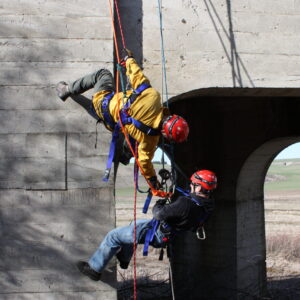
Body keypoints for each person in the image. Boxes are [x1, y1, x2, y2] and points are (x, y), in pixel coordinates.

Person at [56, 49, 189, 186]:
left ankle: (66, 90)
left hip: (103, 102)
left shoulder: (153, 97)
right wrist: (153, 180)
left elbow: (137, 77)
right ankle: (124, 155)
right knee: (135, 140)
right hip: (111, 123)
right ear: (165, 134)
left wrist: (128, 59)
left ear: (172, 116)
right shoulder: (150, 140)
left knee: (103, 74)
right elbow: (144, 162)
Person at [76, 169, 217, 281]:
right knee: (134, 225)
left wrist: (158, 204)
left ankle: (94, 269)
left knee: (113, 236)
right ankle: (124, 259)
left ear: (199, 188)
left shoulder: (185, 203)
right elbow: (185, 213)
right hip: (169, 234)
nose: (190, 186)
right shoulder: (208, 206)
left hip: (157, 233)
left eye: (192, 184)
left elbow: (159, 214)